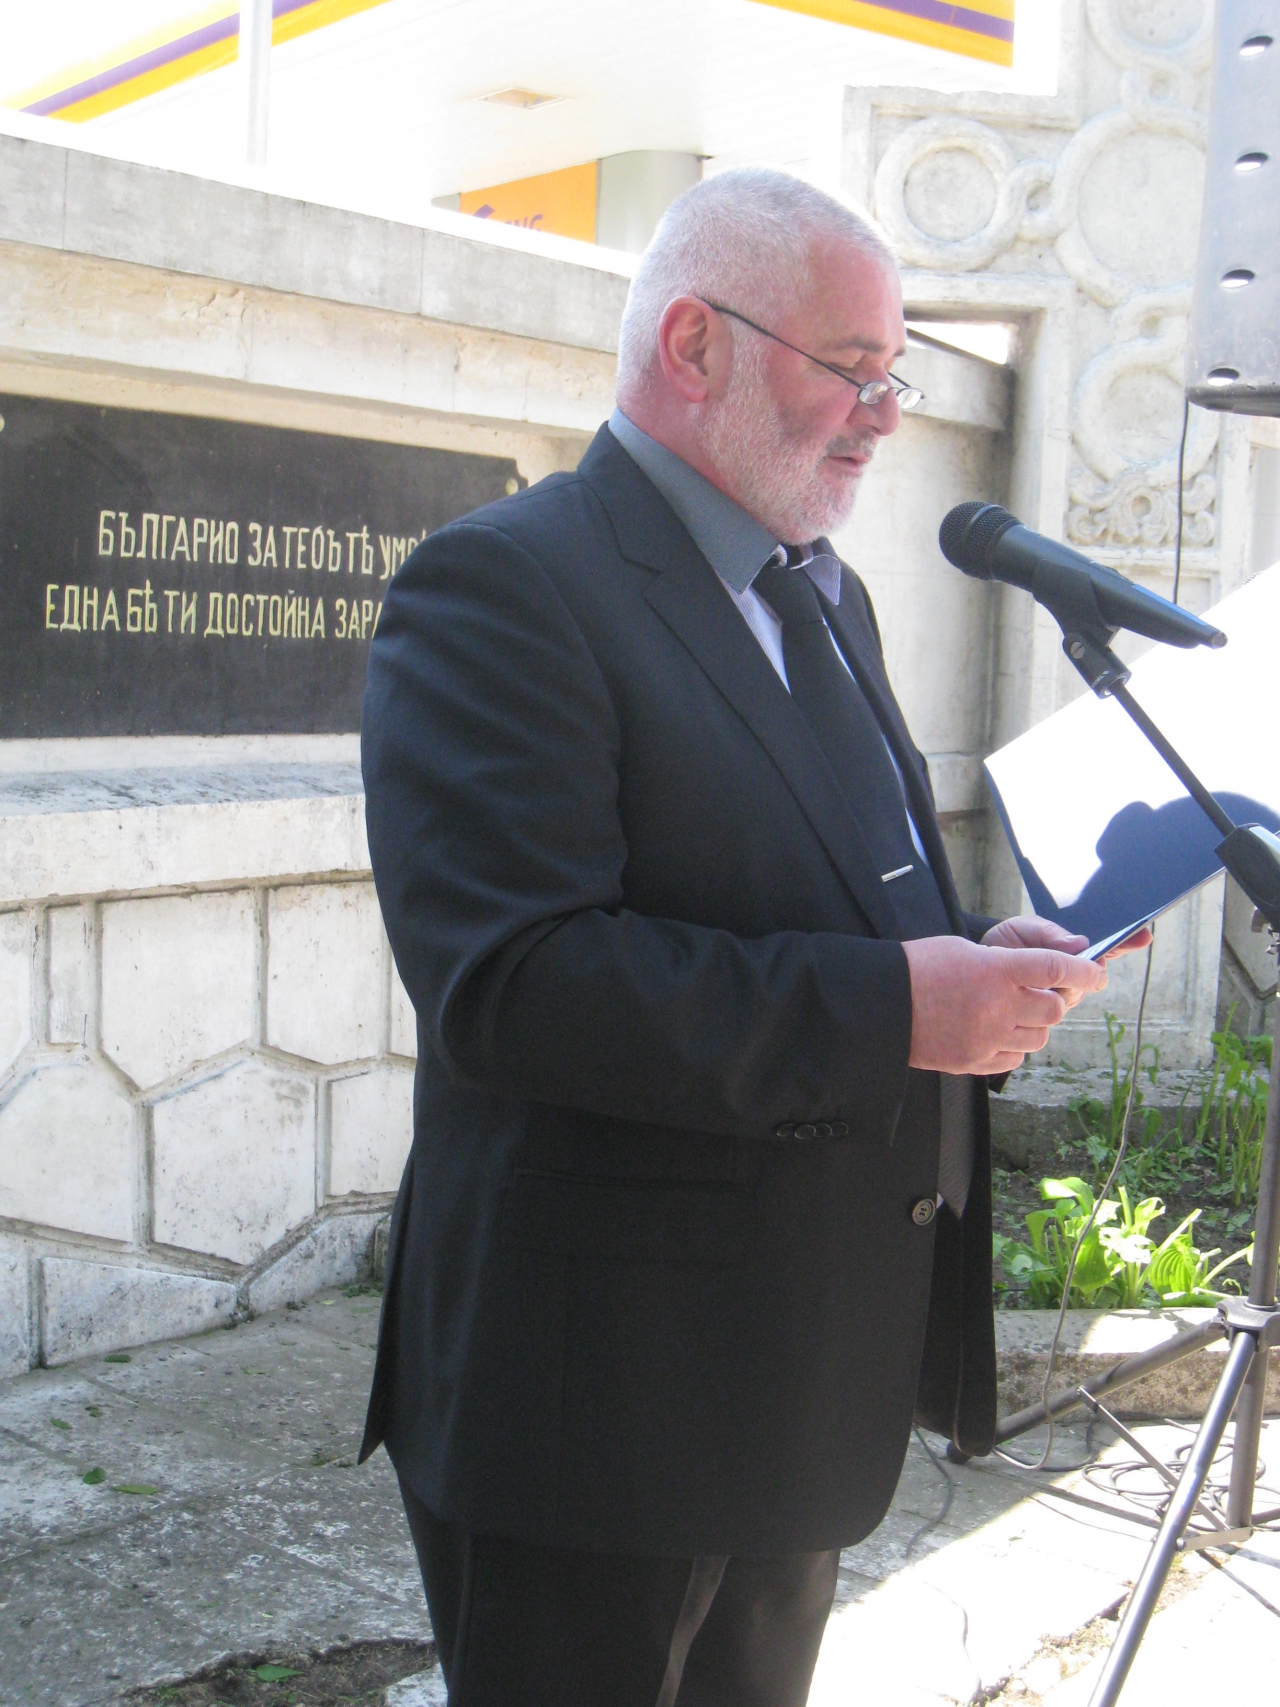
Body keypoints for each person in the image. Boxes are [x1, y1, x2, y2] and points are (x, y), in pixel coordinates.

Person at [358, 168, 1142, 1707]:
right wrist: (902, 1010)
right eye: (851, 368)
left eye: (895, 376)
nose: (884, 416)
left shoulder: (823, 595)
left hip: (800, 1376)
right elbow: (516, 983)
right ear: (694, 343)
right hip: (600, 1410)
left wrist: (975, 956)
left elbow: (828, 899)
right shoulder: (506, 585)